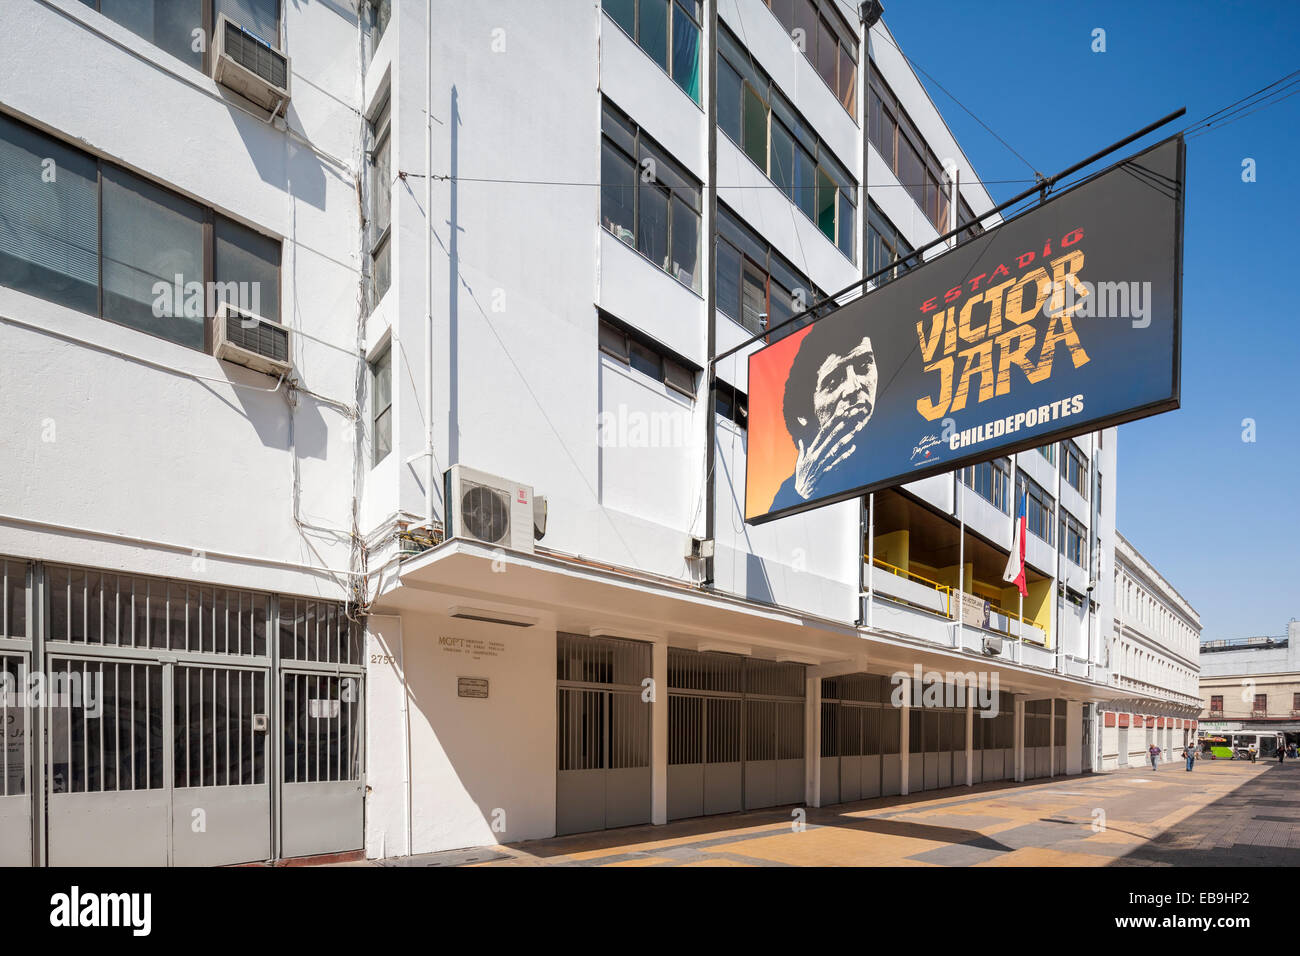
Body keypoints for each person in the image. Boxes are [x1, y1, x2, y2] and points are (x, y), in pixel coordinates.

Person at [769, 318, 878, 512]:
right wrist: (801, 491)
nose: (854, 388)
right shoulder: (796, 488)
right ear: (804, 414)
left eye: (863, 367)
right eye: (834, 381)